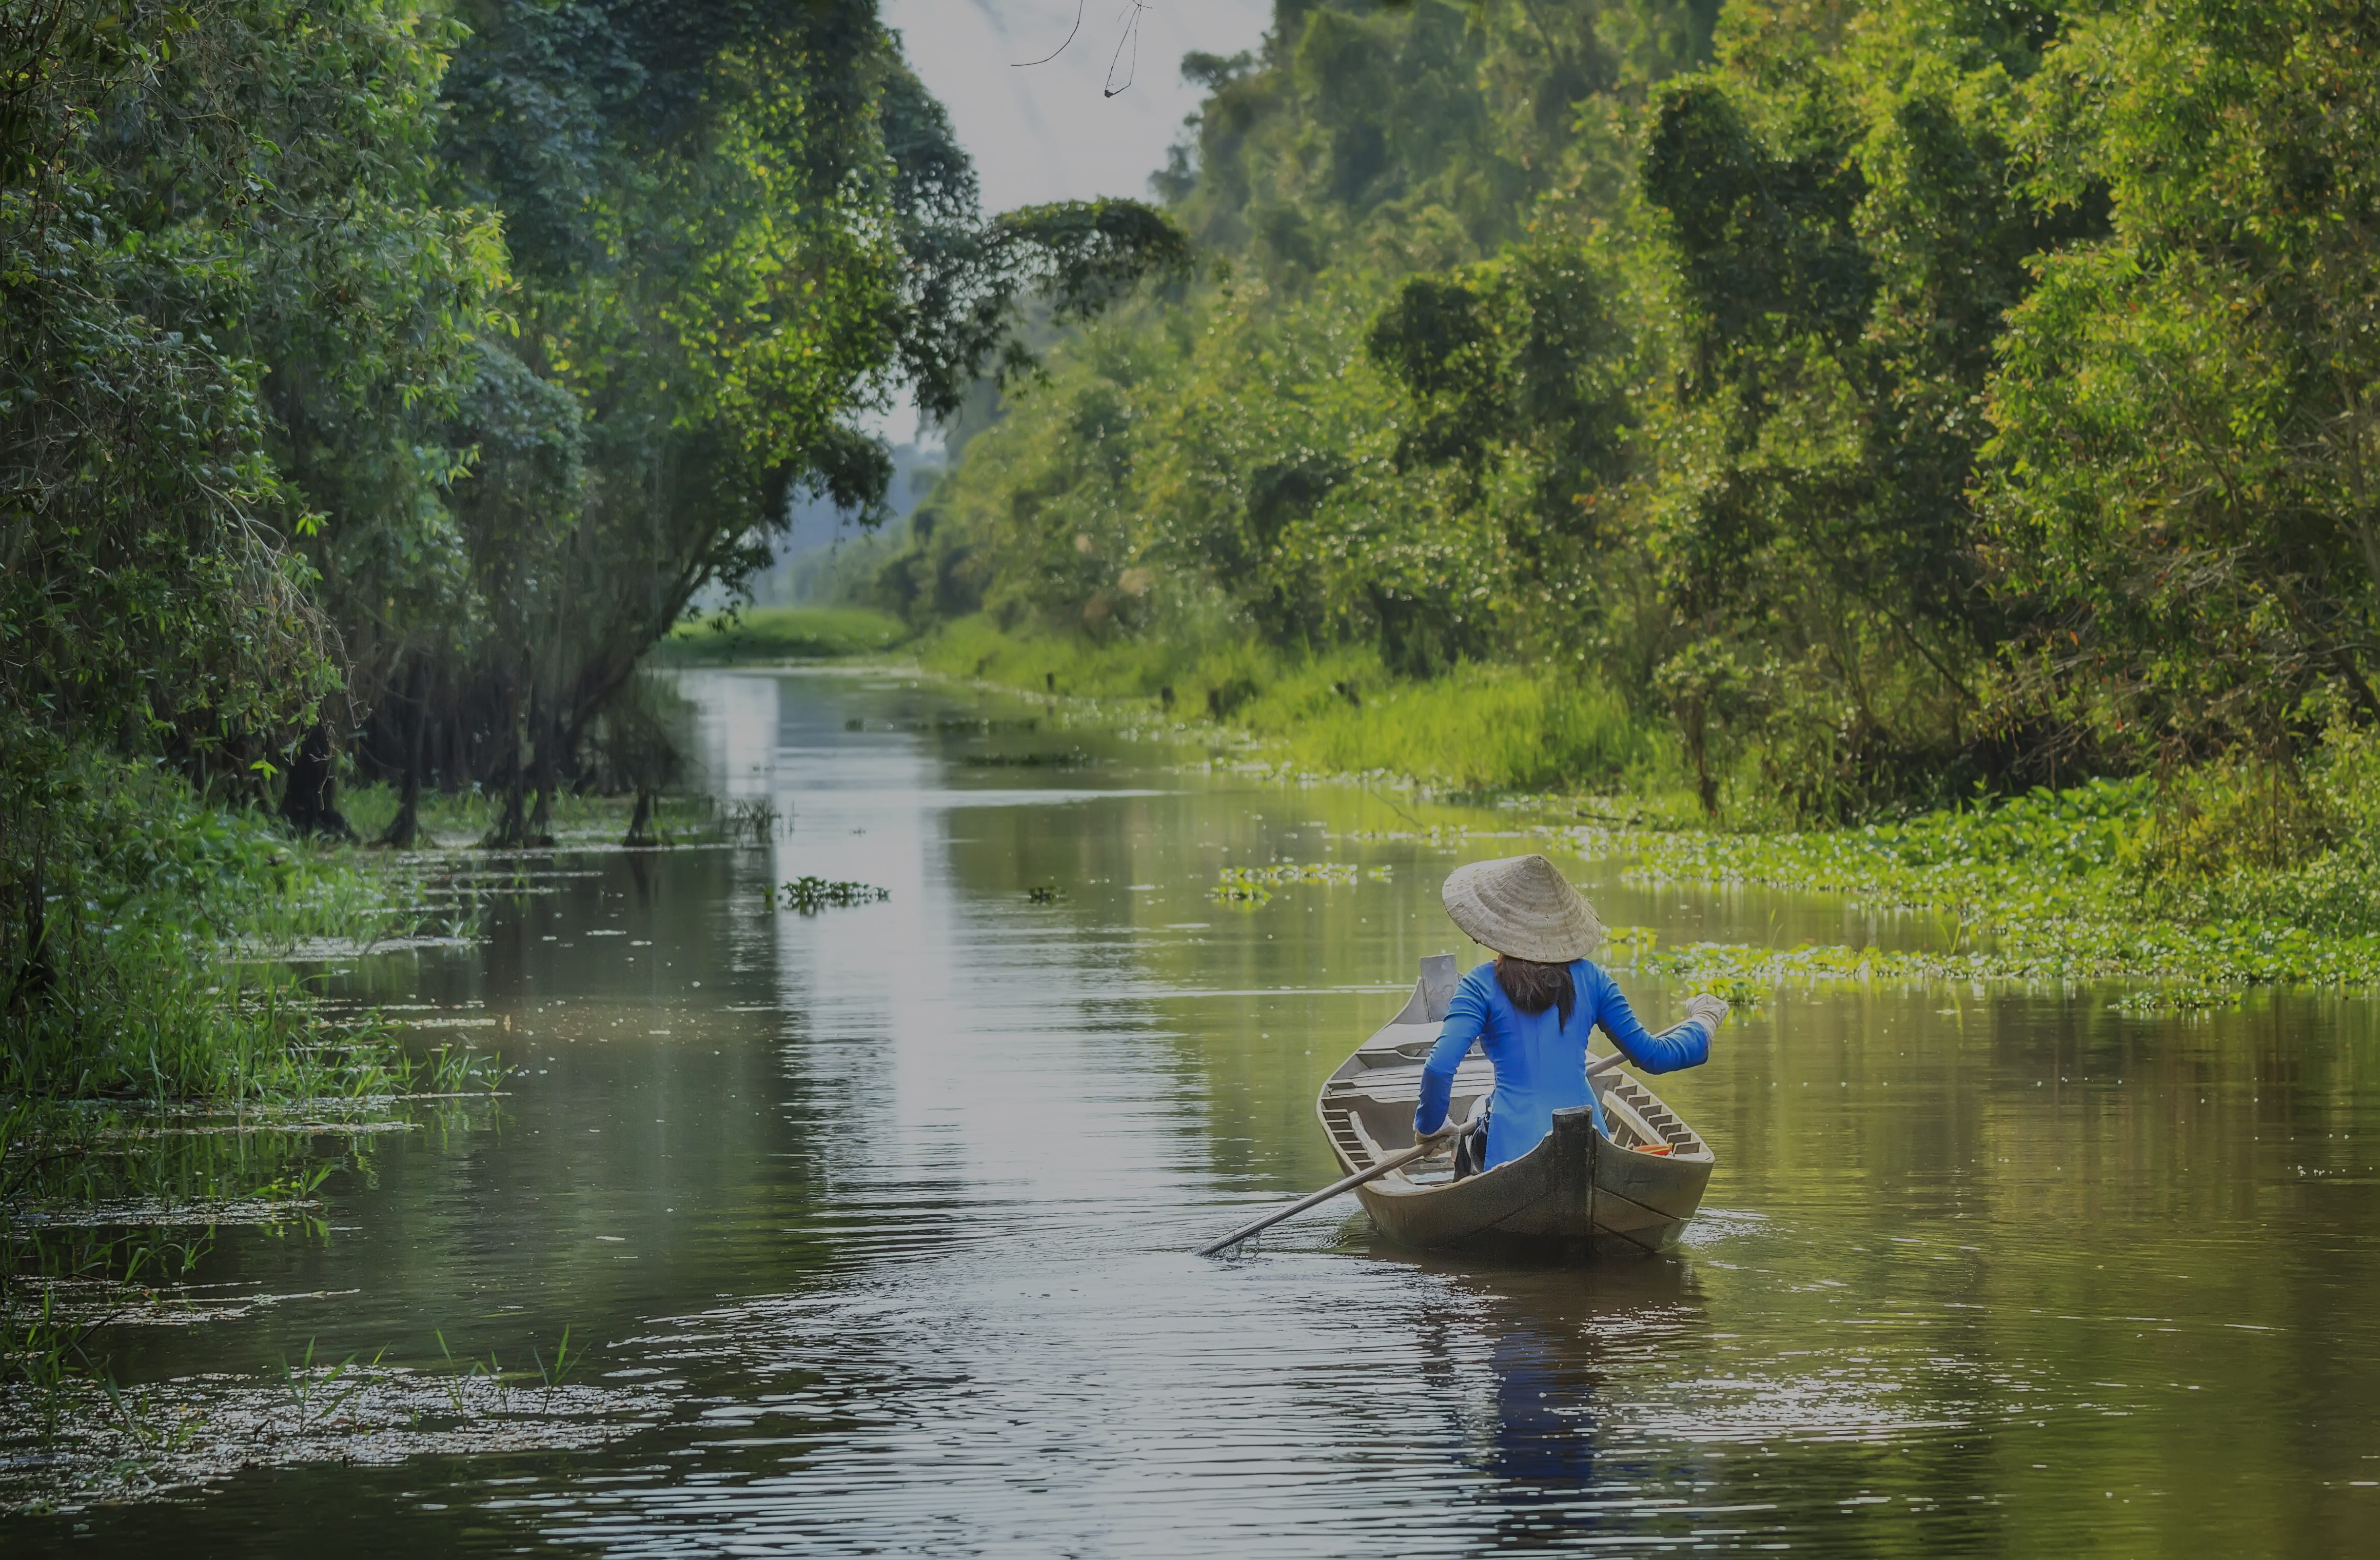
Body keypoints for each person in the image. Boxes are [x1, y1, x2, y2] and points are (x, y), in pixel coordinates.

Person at [1413, 854, 1727, 1172]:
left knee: (1478, 1114)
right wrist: (1704, 1021)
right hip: (1590, 1148)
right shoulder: (1593, 979)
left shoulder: (1480, 985)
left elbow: (1439, 1068)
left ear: (1498, 924)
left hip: (1512, 1156)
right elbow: (1654, 1056)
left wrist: (1431, 1127)